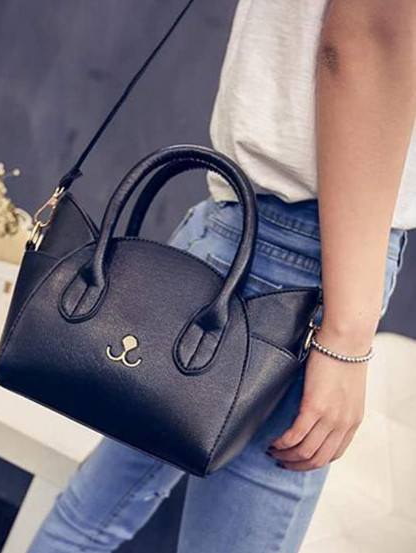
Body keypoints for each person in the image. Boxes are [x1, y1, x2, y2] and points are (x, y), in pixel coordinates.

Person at [28, 1, 416, 551]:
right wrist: (346, 340)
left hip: (230, 226)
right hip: (303, 265)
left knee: (87, 520)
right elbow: (363, 45)